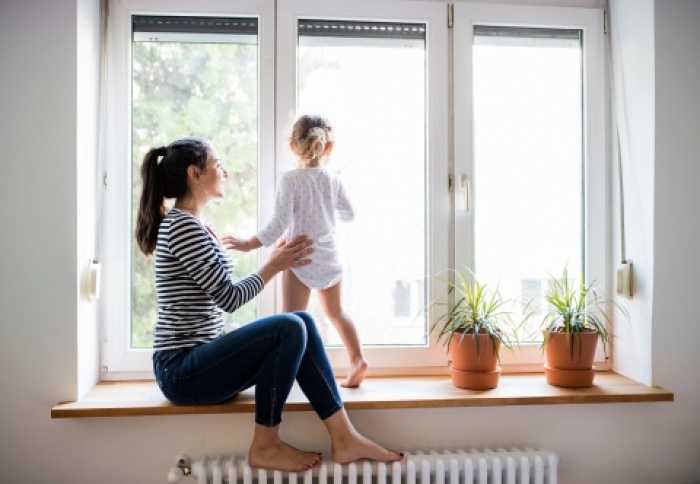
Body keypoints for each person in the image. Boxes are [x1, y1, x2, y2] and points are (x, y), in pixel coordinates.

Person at [135, 137, 402, 472]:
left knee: (301, 320)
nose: (226, 172)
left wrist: (276, 259)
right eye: (218, 165)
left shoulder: (196, 226)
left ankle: (344, 437)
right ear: (195, 174)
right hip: (181, 371)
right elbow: (229, 298)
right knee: (289, 326)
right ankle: (265, 444)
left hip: (200, 361)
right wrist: (274, 265)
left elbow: (219, 290)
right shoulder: (183, 227)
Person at [226, 114, 368, 388]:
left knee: (291, 322)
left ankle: (289, 374)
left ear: (292, 146)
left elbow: (277, 224)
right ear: (329, 148)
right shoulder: (332, 179)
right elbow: (349, 214)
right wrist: (325, 209)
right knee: (337, 312)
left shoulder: (290, 180)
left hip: (298, 257)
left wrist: (247, 243)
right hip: (329, 256)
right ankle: (357, 359)